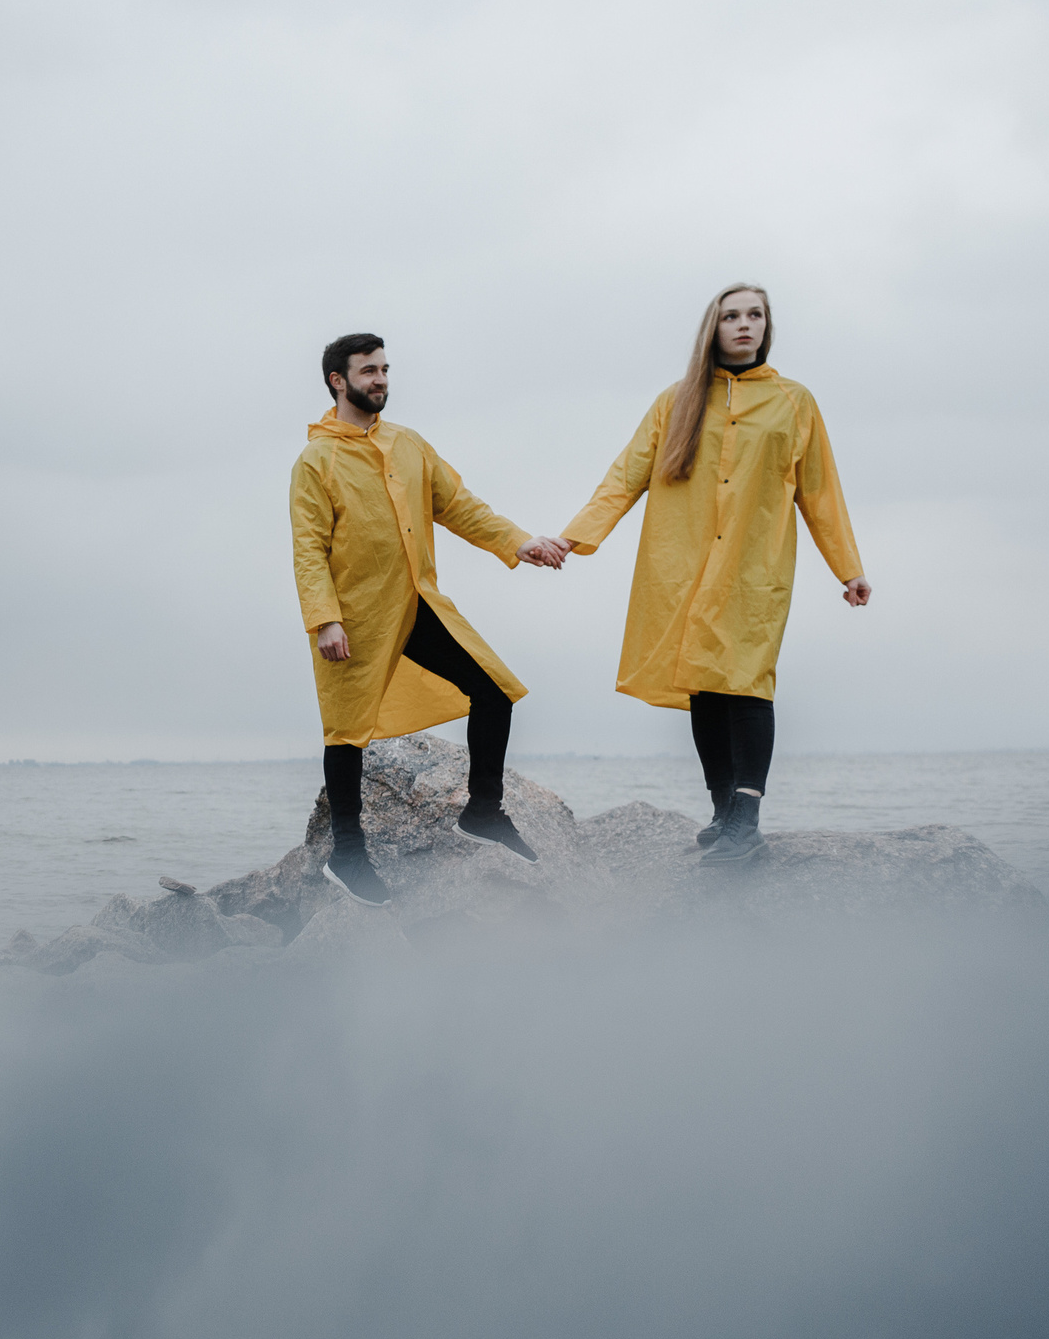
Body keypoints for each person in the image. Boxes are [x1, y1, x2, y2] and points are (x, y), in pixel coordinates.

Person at [556, 284, 869, 863]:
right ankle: (724, 810)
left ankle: (746, 820)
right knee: (703, 686)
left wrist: (847, 568)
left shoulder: (794, 401)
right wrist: (573, 538)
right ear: (713, 327)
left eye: (755, 315)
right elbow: (625, 476)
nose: (744, 325)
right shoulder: (675, 402)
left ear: (766, 326)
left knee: (747, 681)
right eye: (731, 316)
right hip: (683, 563)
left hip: (754, 566)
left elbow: (820, 491)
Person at [292, 333, 569, 905]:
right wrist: (325, 620)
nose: (381, 380)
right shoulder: (316, 461)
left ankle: (483, 810)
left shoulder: (408, 444)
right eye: (368, 371)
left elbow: (459, 505)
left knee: (494, 691)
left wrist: (517, 542)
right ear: (337, 381)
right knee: (346, 733)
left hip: (417, 603)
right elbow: (308, 548)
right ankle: (348, 853)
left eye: (385, 369)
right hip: (355, 619)